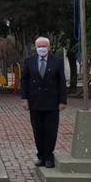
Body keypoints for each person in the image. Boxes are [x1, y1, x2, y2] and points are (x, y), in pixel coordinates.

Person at [20, 36, 67, 168]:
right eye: (39, 46)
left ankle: (49, 156)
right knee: (38, 130)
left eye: (44, 46)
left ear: (49, 47)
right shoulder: (29, 61)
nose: (42, 49)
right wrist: (24, 99)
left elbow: (61, 82)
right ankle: (41, 156)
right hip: (35, 102)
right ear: (35, 48)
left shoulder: (57, 61)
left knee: (51, 130)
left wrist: (62, 100)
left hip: (52, 102)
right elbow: (24, 81)